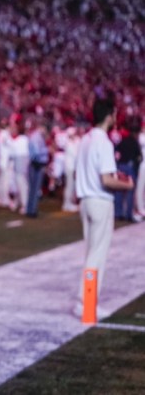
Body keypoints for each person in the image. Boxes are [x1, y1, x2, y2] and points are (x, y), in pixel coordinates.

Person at [73, 99, 134, 318]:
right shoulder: (104, 143)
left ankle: (84, 302)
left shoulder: (86, 139)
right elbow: (107, 179)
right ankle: (87, 305)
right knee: (96, 256)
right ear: (109, 115)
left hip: (85, 200)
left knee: (90, 252)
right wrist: (127, 184)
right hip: (100, 200)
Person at [26, 122, 49, 218]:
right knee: (35, 189)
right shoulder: (37, 136)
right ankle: (32, 210)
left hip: (35, 163)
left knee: (33, 189)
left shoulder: (36, 136)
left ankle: (30, 209)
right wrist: (46, 150)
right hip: (36, 164)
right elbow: (37, 151)